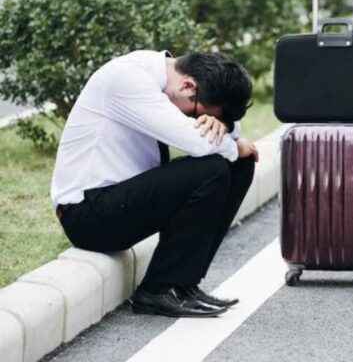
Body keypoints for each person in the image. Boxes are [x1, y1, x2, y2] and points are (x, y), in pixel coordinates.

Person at [51, 50, 259, 318]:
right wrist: (234, 145)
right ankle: (157, 290)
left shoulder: (173, 80)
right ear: (188, 86)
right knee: (214, 168)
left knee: (240, 165)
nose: (197, 120)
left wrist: (224, 129)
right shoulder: (128, 78)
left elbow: (224, 136)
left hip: (123, 201)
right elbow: (197, 142)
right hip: (87, 215)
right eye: (198, 114)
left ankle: (182, 284)